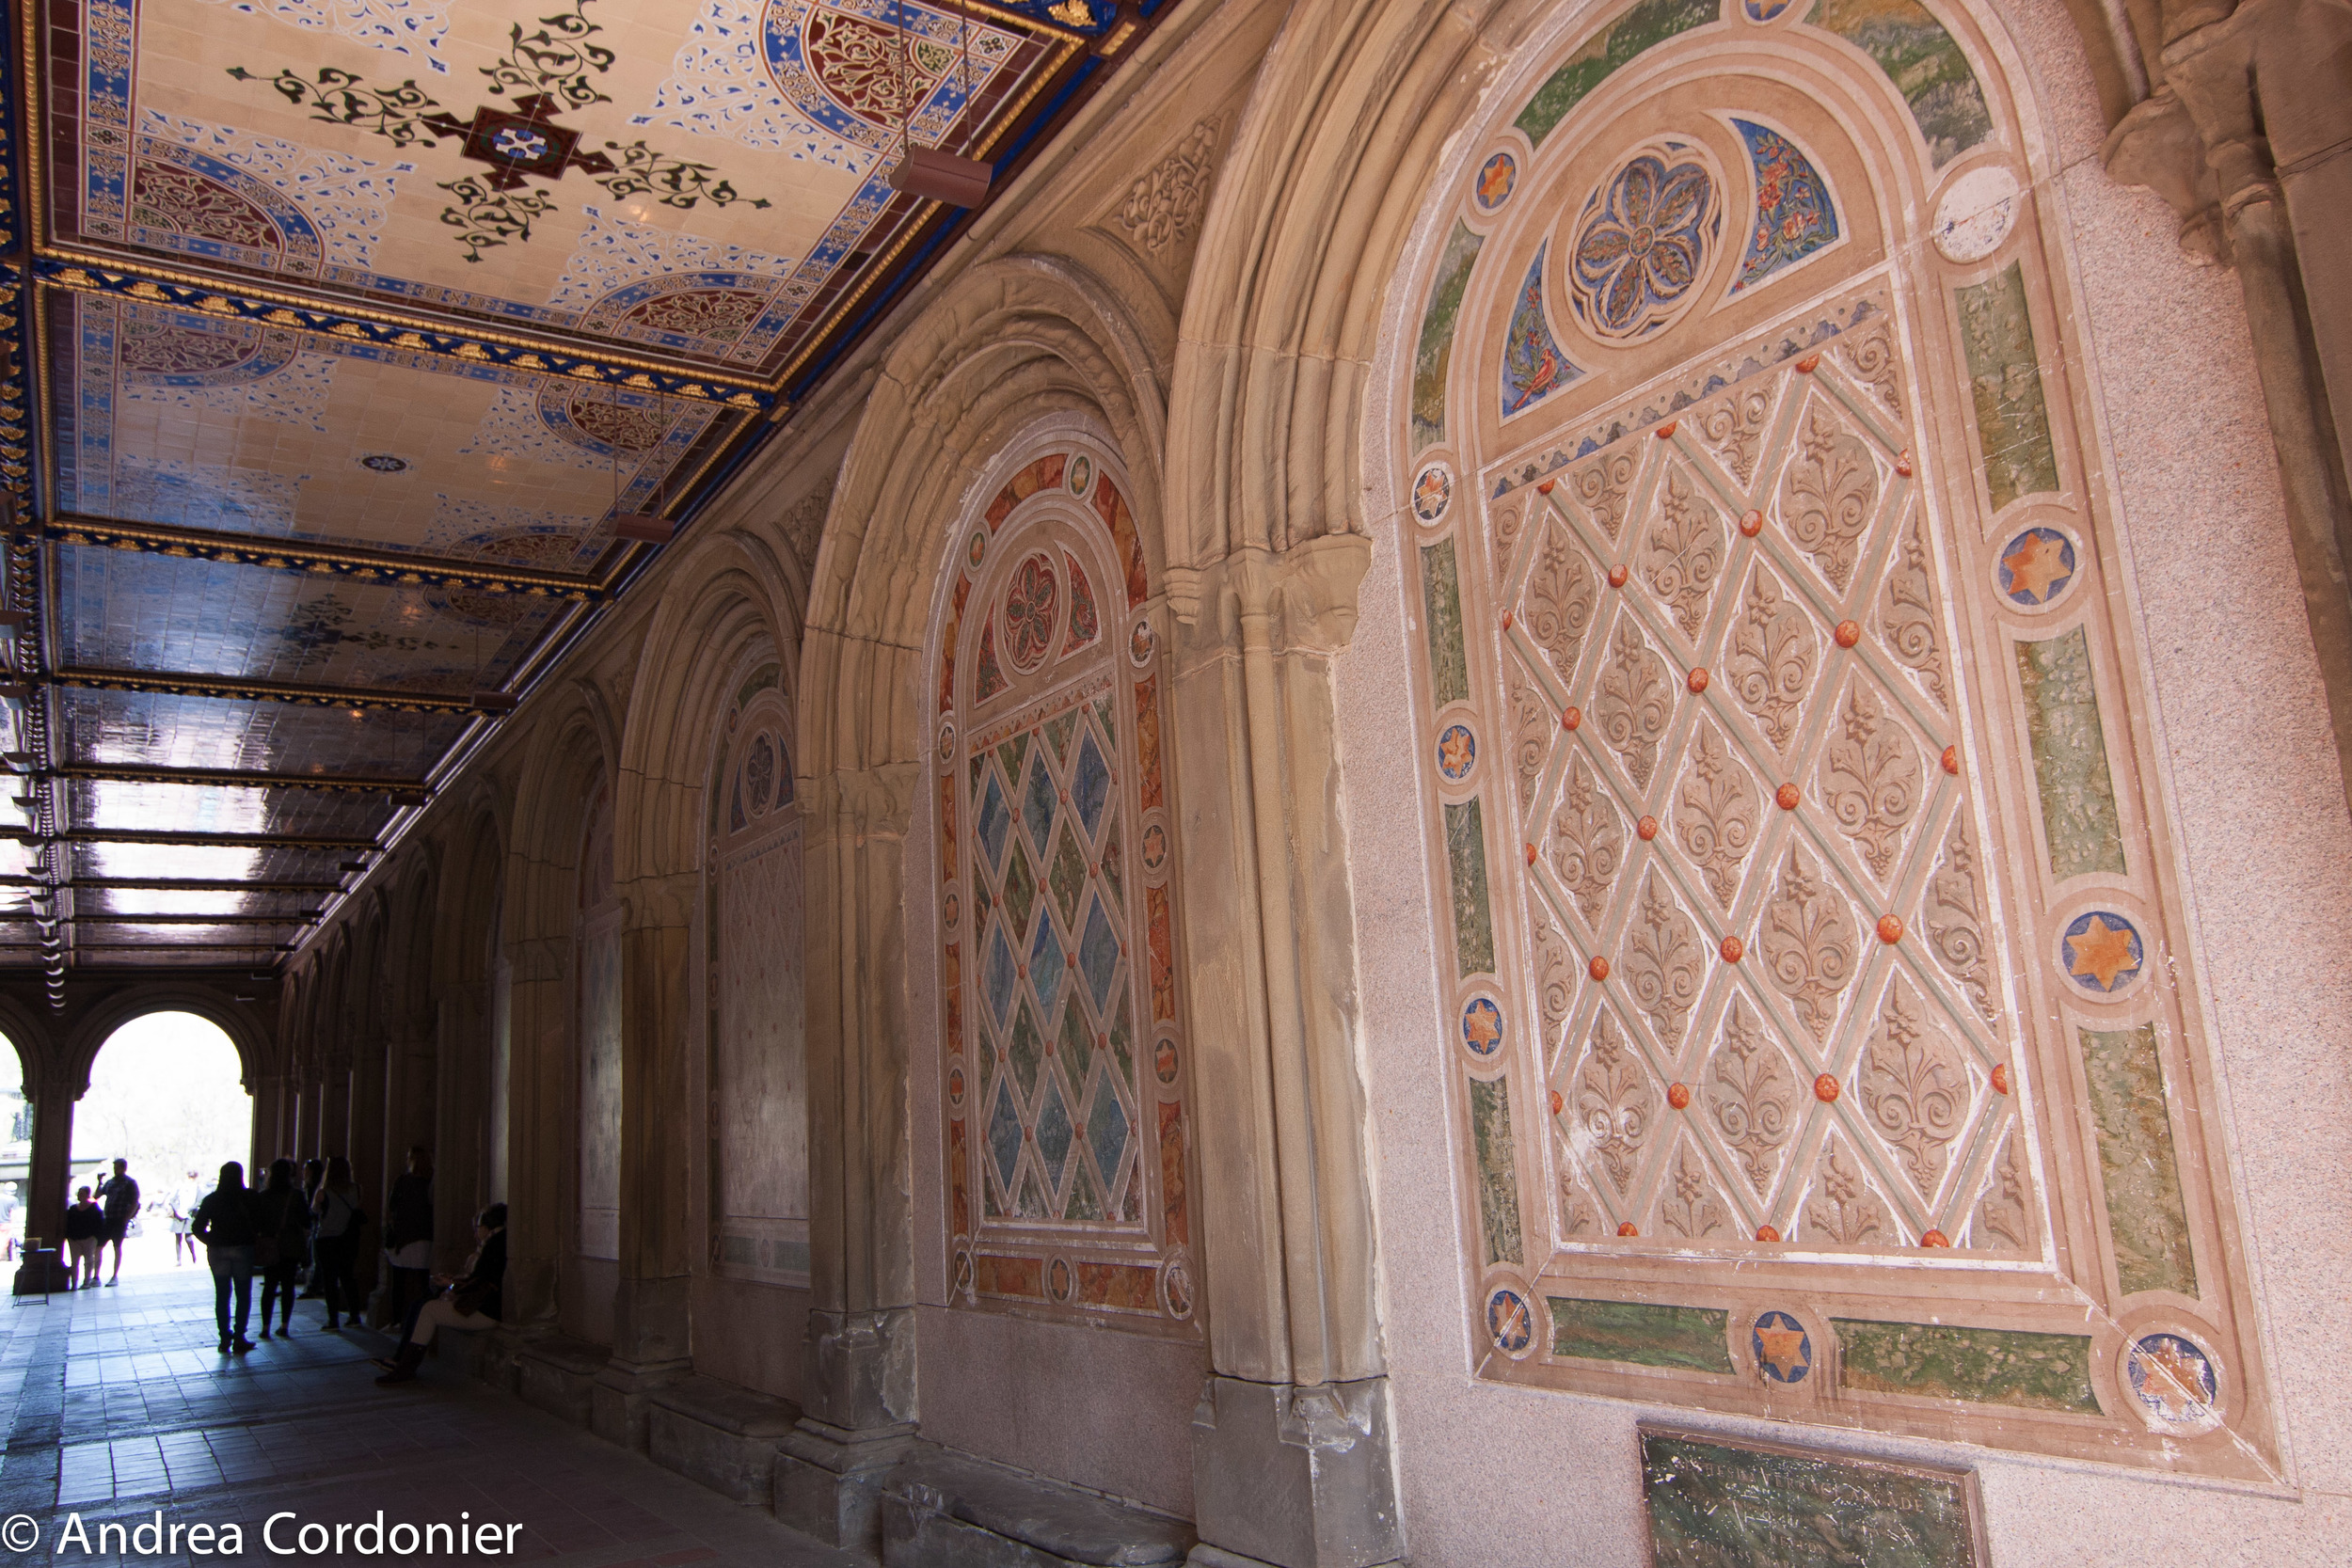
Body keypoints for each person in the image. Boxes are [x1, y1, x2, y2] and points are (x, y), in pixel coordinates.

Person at [375, 1204, 504, 1386]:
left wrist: (450, 1285)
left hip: (485, 1311)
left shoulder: (493, 1245)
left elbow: (480, 1282)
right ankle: (403, 1363)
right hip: (487, 1307)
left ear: (486, 1228)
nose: (477, 1231)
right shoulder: (501, 1242)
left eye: (478, 1227)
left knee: (429, 1309)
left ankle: (405, 1366)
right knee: (425, 1306)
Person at [190, 1163, 257, 1354]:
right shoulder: (249, 1197)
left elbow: (197, 1228)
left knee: (222, 1295)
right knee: (243, 1294)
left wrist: (212, 1240)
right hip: (243, 1248)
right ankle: (239, 1337)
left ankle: (224, 1338)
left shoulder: (212, 1199)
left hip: (218, 1251)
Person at [251, 1159, 309, 1340]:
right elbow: (306, 1220)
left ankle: (265, 1327)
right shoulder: (297, 1195)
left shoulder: (263, 1196)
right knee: (288, 1286)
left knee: (269, 1286)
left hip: (270, 1246)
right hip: (291, 1245)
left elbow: (256, 1222)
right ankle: (284, 1326)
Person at [310, 1155, 364, 1331]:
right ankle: (354, 1315)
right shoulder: (356, 1189)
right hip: (348, 1239)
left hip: (327, 1238)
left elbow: (315, 1210)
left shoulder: (323, 1192)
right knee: (348, 1276)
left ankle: (333, 1320)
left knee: (329, 1279)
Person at [382, 1146, 434, 1327]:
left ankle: (397, 1321)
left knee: (399, 1282)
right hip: (425, 1237)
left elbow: (392, 1205)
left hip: (405, 1239)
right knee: (424, 1282)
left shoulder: (403, 1181)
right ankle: (425, 1322)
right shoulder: (432, 1181)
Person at [96, 1159, 138, 1286]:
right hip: (108, 1218)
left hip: (120, 1219)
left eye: (117, 1167)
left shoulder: (129, 1183)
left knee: (117, 1246)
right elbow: (97, 1195)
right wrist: (99, 1182)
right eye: (114, 1167)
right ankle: (95, 1276)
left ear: (123, 1168)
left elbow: (135, 1201)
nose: (115, 1170)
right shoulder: (110, 1183)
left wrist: (127, 1217)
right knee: (99, 1246)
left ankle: (114, 1275)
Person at [63, 1186, 103, 1289]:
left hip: (89, 1239)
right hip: (74, 1239)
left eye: (82, 1193)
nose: (79, 1196)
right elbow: (68, 1224)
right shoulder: (73, 1209)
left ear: (87, 1195)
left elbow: (99, 1224)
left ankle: (86, 1282)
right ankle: (74, 1284)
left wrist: (96, 1237)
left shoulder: (94, 1209)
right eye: (79, 1193)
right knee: (74, 1262)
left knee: (88, 1261)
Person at [297, 1159, 326, 1297]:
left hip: (318, 1225)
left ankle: (314, 1287)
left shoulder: (313, 1188)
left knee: (316, 1257)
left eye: (306, 1169)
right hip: (317, 1224)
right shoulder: (314, 1186)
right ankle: (315, 1285)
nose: (304, 1172)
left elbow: (312, 1208)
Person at [170, 1169, 204, 1266]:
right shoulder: (180, 1187)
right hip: (179, 1215)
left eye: (192, 1178)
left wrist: (190, 1209)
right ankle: (178, 1259)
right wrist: (177, 1210)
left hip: (189, 1214)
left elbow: (199, 1201)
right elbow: (172, 1200)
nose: (190, 1179)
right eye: (189, 1177)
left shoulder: (197, 1188)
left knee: (188, 1237)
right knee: (178, 1237)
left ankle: (193, 1256)